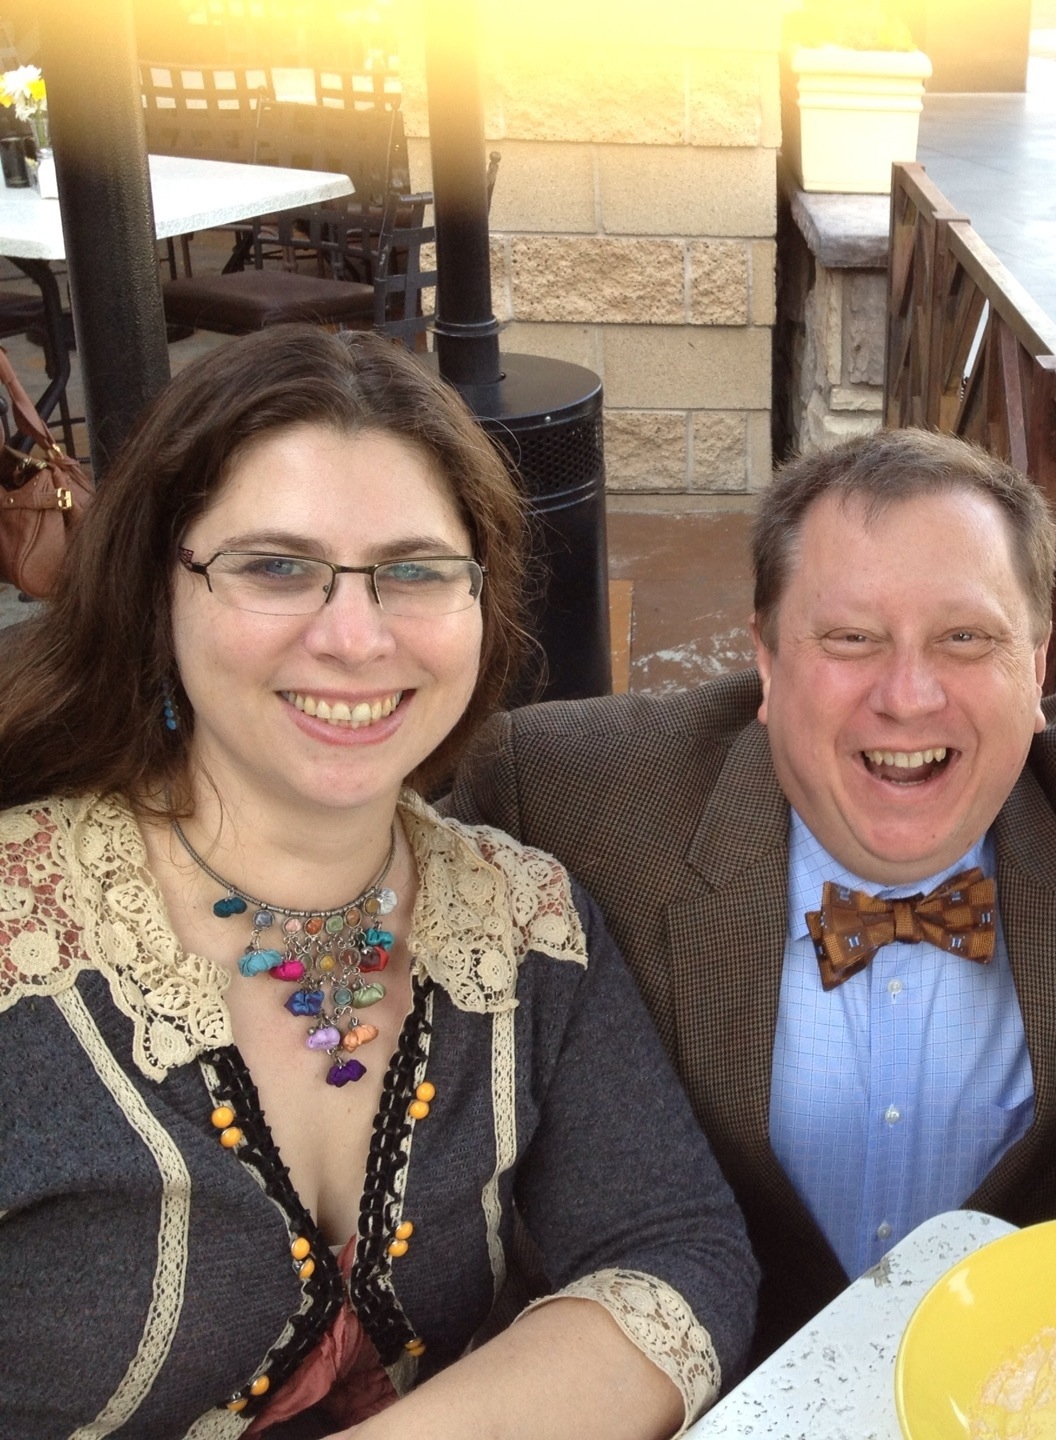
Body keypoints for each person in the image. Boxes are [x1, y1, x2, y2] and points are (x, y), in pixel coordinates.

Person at [449, 426, 1056, 1355]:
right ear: (766, 660)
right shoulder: (573, 799)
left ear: (1038, 663)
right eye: (851, 638)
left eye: (965, 638)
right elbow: (380, 869)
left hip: (1008, 1393)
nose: (907, 695)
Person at [0, 328, 756, 1439]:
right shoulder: (23, 942)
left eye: (414, 570)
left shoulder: (520, 923)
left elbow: (678, 1253)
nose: (355, 637)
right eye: (274, 566)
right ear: (159, 591)